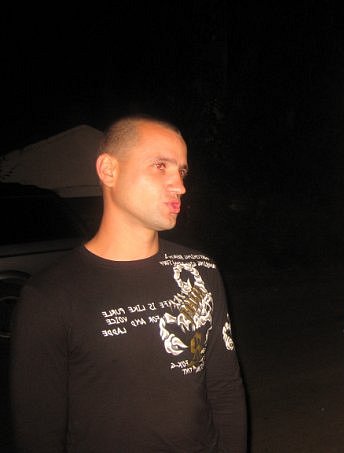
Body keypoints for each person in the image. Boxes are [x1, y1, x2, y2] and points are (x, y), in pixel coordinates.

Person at [10, 115, 247, 452]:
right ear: (109, 170)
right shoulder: (50, 294)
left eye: (181, 171)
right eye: (160, 166)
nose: (180, 186)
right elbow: (39, 432)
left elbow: (224, 387)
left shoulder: (200, 270)